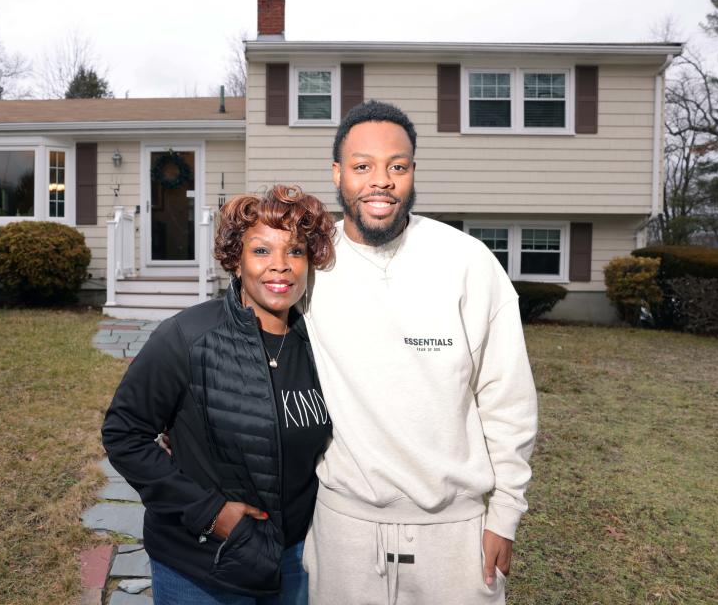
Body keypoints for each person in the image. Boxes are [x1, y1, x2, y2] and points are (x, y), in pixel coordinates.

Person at [300, 100, 539, 605]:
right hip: (345, 527)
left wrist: (505, 516)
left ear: (412, 172)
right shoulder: (308, 266)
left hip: (455, 533)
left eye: (397, 166)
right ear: (338, 173)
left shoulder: (467, 262)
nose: (380, 181)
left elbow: (507, 398)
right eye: (363, 166)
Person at [101, 185, 336, 605]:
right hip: (203, 565)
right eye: (262, 251)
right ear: (236, 258)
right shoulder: (186, 336)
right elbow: (124, 434)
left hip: (297, 561)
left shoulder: (321, 347)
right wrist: (212, 514)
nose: (280, 267)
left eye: (295, 251)